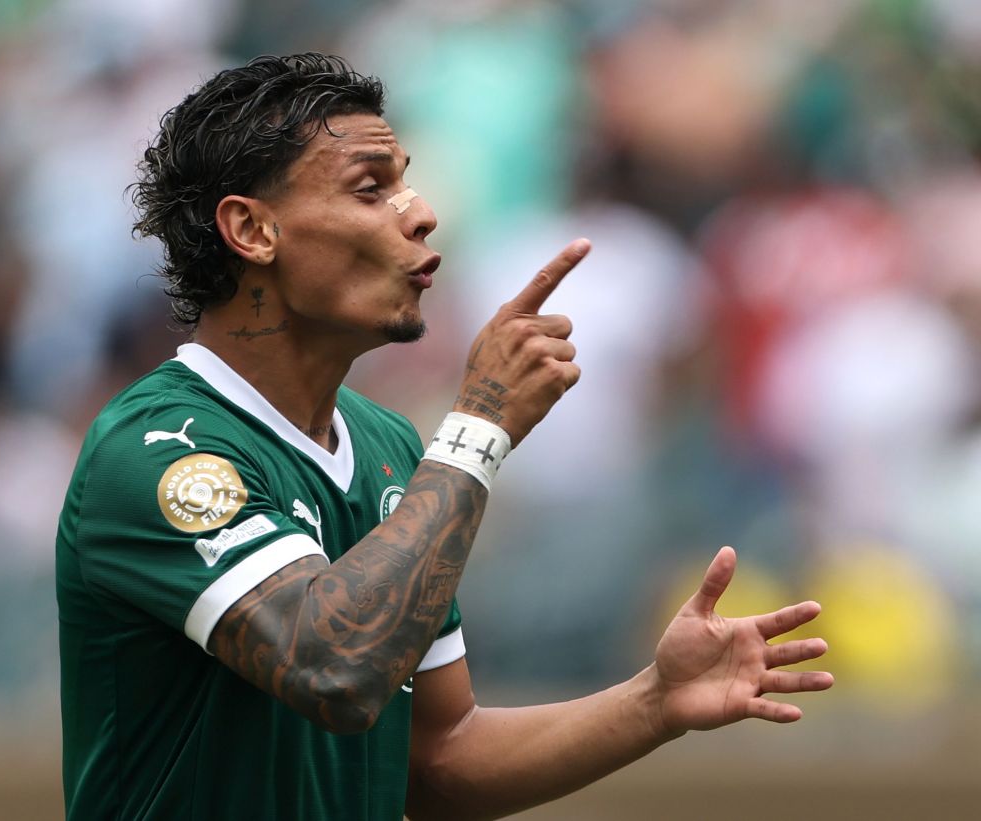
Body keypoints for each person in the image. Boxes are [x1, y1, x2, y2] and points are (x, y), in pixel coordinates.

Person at [55, 53, 833, 821]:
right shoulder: (158, 447)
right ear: (252, 229)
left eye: (406, 183)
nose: (422, 213)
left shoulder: (389, 445)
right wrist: (480, 425)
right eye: (371, 188)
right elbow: (330, 669)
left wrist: (654, 700)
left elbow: (440, 759)